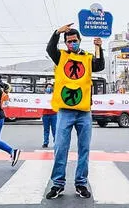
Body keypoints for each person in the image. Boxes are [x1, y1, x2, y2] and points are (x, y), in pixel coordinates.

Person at [45, 23, 104, 199]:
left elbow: (99, 65)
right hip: (65, 111)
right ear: (65, 43)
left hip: (84, 111)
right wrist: (57, 32)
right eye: (69, 41)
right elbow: (50, 48)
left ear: (80, 40)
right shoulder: (60, 56)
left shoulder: (87, 57)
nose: (72, 44)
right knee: (60, 148)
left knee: (84, 148)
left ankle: (81, 183)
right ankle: (57, 184)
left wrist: (98, 47)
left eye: (75, 41)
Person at [41, 83, 57, 148]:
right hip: (45, 114)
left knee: (54, 129)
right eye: (48, 87)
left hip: (54, 114)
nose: (49, 88)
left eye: (50, 87)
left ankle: (56, 142)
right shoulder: (43, 96)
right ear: (46, 88)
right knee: (46, 129)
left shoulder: (55, 95)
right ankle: (45, 142)